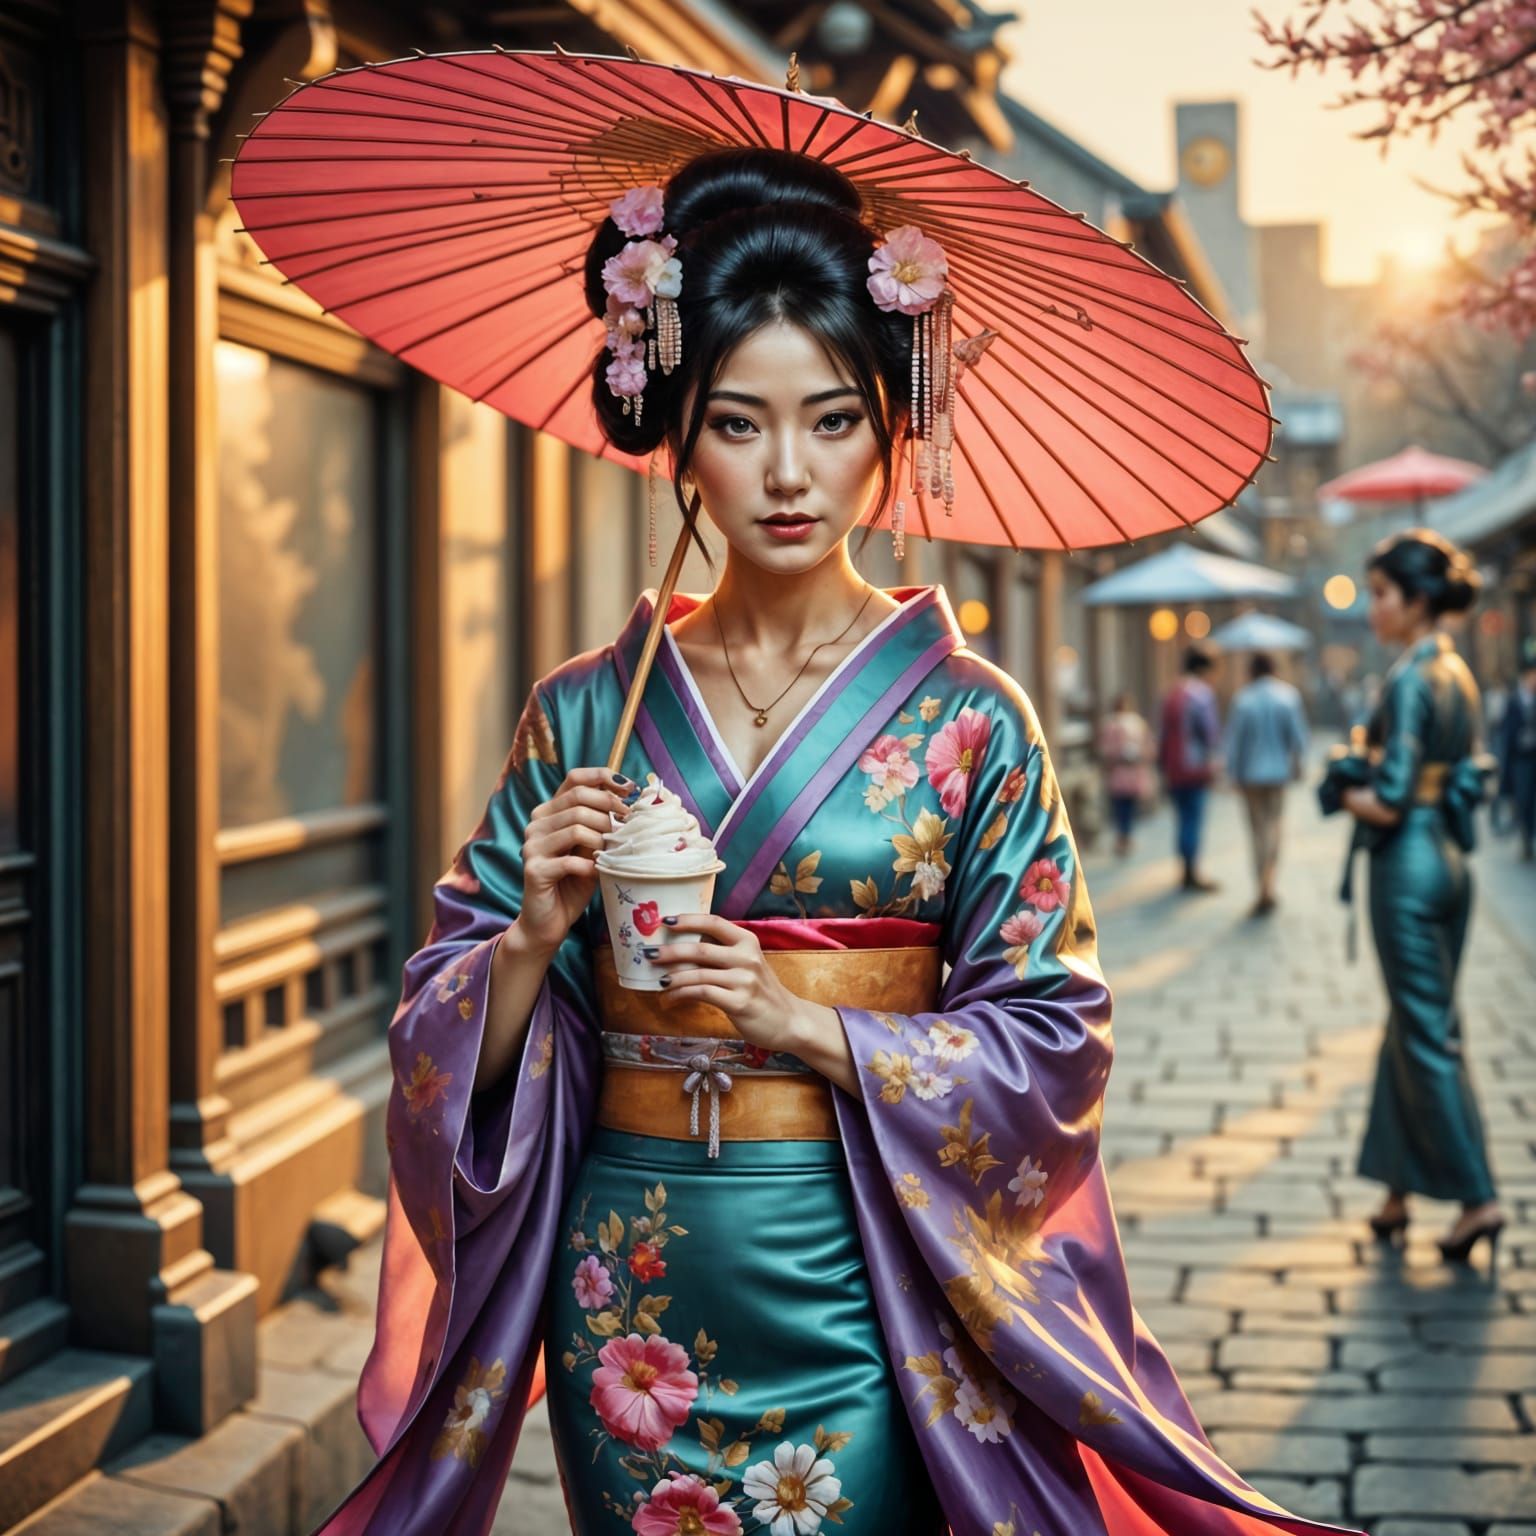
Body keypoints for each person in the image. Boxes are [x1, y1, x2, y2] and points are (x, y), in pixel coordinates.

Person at [320, 149, 1361, 1536]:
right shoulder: (585, 709)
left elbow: (1057, 1039)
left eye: (831, 419)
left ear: (891, 424)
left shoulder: (973, 720)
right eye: (739, 424)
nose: (790, 472)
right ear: (676, 433)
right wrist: (524, 947)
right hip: (630, 1286)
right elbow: (434, 1034)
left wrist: (808, 1025)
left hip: (867, 1268)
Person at [1343, 529, 1502, 1262]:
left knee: (1426, 1029)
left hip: (1406, 864)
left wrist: (1343, 787)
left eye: (1380, 594)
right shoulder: (1457, 671)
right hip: (1452, 865)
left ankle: (1478, 1200)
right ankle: (1398, 1191)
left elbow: (1394, 797)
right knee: (1419, 1020)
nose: (1372, 607)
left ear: (1417, 600)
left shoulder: (1409, 678)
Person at [1225, 652, 1309, 915]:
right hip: (1278, 773)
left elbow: (1235, 742)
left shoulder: (1243, 699)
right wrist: (1298, 764)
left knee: (1256, 831)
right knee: (1274, 827)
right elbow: (1298, 737)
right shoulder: (1288, 696)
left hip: (1250, 774)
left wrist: (1233, 773)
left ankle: (1261, 885)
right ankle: (1268, 883)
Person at [1158, 644, 1222, 891]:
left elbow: (1163, 733)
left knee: (1182, 817)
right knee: (1193, 818)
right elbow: (1209, 733)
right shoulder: (1202, 694)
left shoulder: (1172, 692)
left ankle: (1185, 868)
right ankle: (1191, 871)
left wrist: (1162, 765)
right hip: (1195, 767)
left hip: (1174, 767)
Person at [1097, 692, 1153, 856]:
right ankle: (1125, 836)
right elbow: (1147, 746)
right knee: (1127, 806)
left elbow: (1105, 750)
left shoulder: (1111, 724)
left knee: (1121, 807)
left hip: (1119, 773)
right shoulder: (1136, 723)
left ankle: (1123, 836)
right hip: (1131, 772)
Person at [1497, 639, 1536, 860]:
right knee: (1523, 799)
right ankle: (1526, 838)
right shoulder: (1515, 700)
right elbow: (1507, 732)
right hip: (1521, 759)